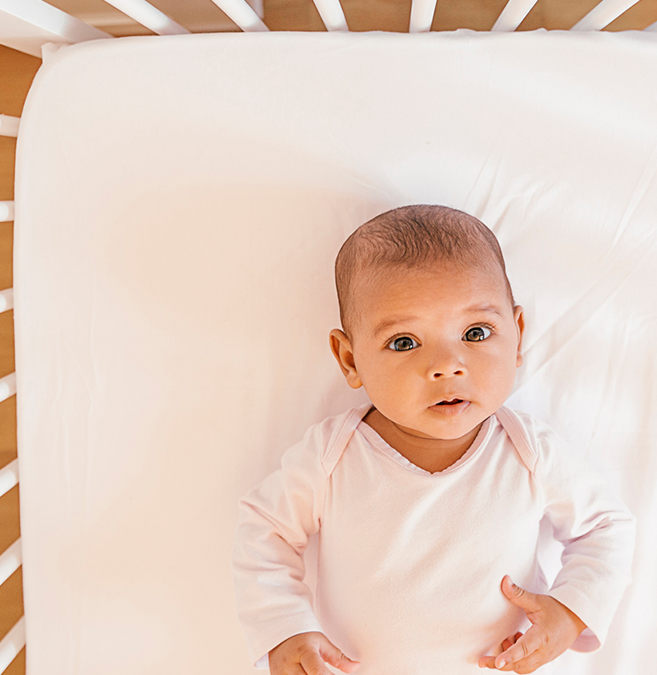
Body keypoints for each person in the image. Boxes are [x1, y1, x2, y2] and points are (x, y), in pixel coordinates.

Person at [231, 205, 635, 675]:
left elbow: (606, 527)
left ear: (518, 335)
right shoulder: (333, 456)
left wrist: (571, 611)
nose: (446, 365)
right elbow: (264, 530)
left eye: (475, 333)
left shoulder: (527, 452)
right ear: (350, 359)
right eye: (405, 342)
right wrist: (284, 626)